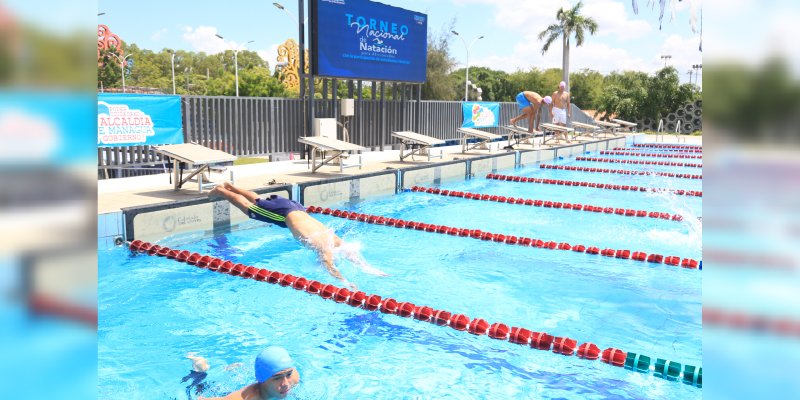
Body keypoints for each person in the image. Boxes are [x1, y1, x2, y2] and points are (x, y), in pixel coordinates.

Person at [209, 182, 387, 289]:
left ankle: (231, 186)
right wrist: (344, 282)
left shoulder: (334, 239)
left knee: (260, 201)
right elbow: (328, 264)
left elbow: (351, 254)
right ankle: (222, 191)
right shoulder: (325, 246)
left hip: (293, 208)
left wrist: (368, 268)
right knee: (249, 209)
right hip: (285, 214)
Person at [200, 346, 300, 400]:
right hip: (215, 390)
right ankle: (199, 366)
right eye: (277, 378)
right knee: (200, 380)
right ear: (261, 379)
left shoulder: (294, 378)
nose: (286, 384)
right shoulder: (245, 398)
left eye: (288, 375)